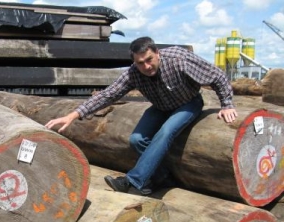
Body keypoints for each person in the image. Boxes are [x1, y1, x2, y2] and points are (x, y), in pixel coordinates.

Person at [45, 36, 238, 195]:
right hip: (161, 106)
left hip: (188, 103)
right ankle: (163, 177)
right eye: (140, 63)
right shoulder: (133, 74)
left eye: (149, 60)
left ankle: (133, 181)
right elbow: (108, 95)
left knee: (166, 132)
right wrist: (73, 115)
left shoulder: (179, 59)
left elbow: (217, 76)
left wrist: (226, 104)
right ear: (134, 62)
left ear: (157, 53)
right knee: (136, 139)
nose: (146, 66)